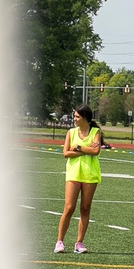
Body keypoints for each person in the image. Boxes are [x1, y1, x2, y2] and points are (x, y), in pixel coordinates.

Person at [55, 105, 102, 254]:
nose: (74, 119)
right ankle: (60, 241)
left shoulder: (95, 132)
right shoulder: (71, 132)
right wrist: (83, 150)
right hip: (74, 174)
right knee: (69, 207)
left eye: (77, 117)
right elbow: (66, 153)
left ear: (85, 118)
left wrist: (79, 147)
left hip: (90, 174)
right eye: (74, 116)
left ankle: (79, 242)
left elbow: (95, 151)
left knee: (85, 208)